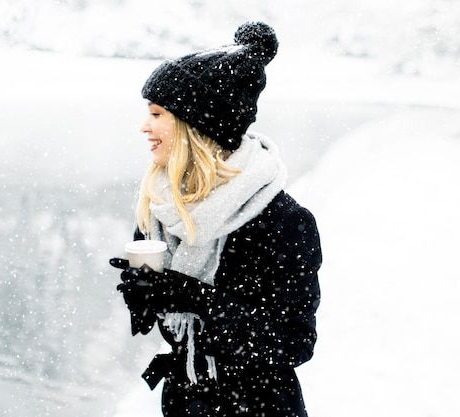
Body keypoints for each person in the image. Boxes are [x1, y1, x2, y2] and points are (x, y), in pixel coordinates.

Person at [109, 21, 322, 417]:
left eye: (157, 114)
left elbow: (294, 342)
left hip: (259, 408)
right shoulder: (160, 205)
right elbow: (171, 314)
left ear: (197, 128)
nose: (144, 126)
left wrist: (195, 297)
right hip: (183, 401)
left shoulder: (283, 221)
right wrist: (144, 296)